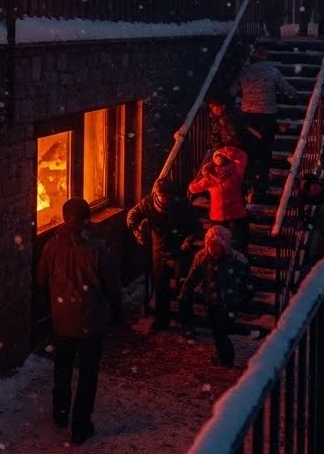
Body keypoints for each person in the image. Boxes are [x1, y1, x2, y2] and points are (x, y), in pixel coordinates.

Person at [36, 198, 122, 445]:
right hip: (90, 322)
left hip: (62, 321)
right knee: (87, 375)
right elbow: (111, 285)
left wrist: (54, 303)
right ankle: (80, 426)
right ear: (86, 219)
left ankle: (60, 413)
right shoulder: (97, 249)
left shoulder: (52, 247)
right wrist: (116, 312)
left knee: (62, 368)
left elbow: (41, 280)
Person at [126, 180, 203, 332]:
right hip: (159, 251)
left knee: (183, 288)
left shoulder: (182, 205)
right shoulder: (148, 204)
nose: (164, 199)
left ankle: (186, 321)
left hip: (180, 252)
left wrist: (189, 239)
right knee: (160, 287)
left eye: (168, 195)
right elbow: (133, 215)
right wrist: (136, 229)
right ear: (156, 194)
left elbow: (197, 227)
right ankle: (162, 319)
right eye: (162, 195)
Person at [176, 224, 251, 367]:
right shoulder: (202, 257)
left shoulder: (237, 260)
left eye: (217, 246)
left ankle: (226, 358)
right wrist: (184, 294)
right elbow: (192, 278)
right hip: (211, 300)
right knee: (216, 329)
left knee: (221, 330)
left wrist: (243, 297)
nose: (214, 250)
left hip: (228, 301)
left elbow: (247, 281)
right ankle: (223, 350)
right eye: (211, 245)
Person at [231, 46, 298, 205]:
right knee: (265, 149)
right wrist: (291, 95)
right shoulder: (272, 71)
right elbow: (287, 89)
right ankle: (261, 184)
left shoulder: (245, 72)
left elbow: (233, 90)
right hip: (267, 115)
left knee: (248, 150)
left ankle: (246, 181)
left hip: (248, 115)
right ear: (265, 58)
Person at [188, 145, 249, 251]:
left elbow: (193, 189)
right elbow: (243, 156)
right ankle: (238, 260)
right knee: (239, 244)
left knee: (217, 244)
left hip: (218, 216)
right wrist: (228, 150)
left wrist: (197, 178)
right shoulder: (236, 173)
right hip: (237, 213)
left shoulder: (209, 177)